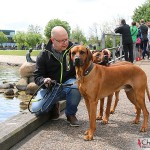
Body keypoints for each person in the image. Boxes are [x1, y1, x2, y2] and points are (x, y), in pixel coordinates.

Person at [31, 26, 81, 127]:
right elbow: (37, 77)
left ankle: (71, 114)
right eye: (61, 41)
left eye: (66, 39)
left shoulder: (74, 51)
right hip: (50, 88)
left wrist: (103, 52)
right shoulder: (43, 55)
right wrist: (44, 80)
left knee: (76, 87)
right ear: (53, 40)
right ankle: (54, 105)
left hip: (68, 85)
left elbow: (88, 56)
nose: (65, 43)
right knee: (37, 110)